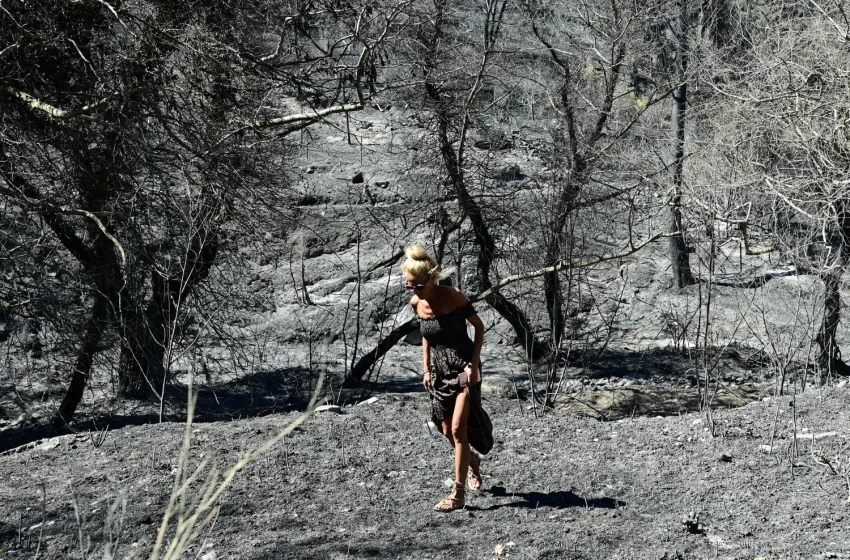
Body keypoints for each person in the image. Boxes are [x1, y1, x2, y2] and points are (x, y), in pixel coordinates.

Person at [402, 245, 493, 512]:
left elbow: (478, 327)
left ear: (431, 279)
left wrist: (473, 366)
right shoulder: (416, 303)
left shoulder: (454, 296)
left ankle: (458, 494)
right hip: (439, 372)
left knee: (457, 429)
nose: (414, 291)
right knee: (444, 430)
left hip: (464, 367)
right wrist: (426, 369)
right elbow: (427, 337)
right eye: (409, 287)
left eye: (417, 286)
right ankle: (471, 461)